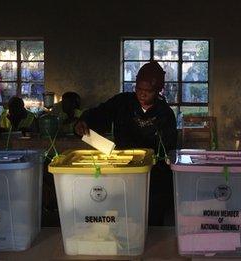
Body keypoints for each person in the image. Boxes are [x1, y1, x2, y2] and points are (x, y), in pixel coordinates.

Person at [75, 61, 177, 226]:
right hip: (121, 168)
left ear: (158, 90)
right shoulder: (122, 103)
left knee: (150, 217)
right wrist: (84, 121)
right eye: (138, 89)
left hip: (152, 174)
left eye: (148, 91)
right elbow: (100, 113)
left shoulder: (165, 114)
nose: (142, 95)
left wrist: (151, 161)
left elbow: (168, 149)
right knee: (122, 215)